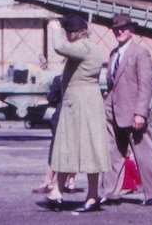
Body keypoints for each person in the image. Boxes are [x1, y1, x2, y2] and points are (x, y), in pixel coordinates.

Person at [40, 15, 109, 213]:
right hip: (80, 103)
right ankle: (57, 191)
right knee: (70, 147)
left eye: (67, 32)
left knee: (84, 148)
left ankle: (92, 195)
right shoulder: (88, 46)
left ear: (72, 33)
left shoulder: (83, 46)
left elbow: (59, 47)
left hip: (81, 104)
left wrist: (54, 29)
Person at [101, 14, 152, 206]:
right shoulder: (113, 54)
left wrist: (140, 113)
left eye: (123, 28)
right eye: (115, 29)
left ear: (131, 31)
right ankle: (110, 193)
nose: (118, 32)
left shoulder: (140, 53)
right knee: (112, 153)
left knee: (144, 153)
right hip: (112, 111)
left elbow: (146, 85)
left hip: (133, 113)